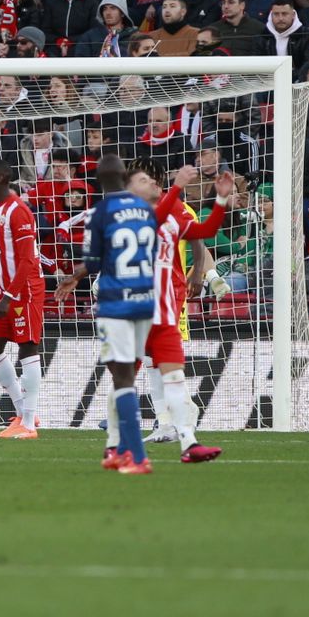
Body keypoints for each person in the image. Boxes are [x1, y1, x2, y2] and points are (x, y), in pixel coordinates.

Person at [54, 155, 157, 475]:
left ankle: (136, 456)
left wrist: (75, 276)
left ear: (98, 179)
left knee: (122, 376)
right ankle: (118, 449)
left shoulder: (100, 212)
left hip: (116, 303)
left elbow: (94, 261)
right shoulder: (145, 208)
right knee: (127, 374)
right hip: (146, 300)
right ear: (125, 176)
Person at [126, 160, 231, 462]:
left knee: (171, 372)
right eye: (143, 180)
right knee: (125, 378)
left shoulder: (174, 211)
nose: (151, 183)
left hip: (166, 305)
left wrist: (220, 200)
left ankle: (186, 438)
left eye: (152, 179)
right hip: (133, 310)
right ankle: (120, 440)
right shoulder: (128, 214)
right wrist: (177, 187)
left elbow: (202, 233)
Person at [0, 159, 46, 440]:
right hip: (5, 288)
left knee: (28, 348)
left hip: (25, 289)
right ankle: (22, 411)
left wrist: (8, 296)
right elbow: (2, 254)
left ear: (0, 177)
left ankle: (29, 424)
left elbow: (27, 260)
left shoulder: (19, 211)